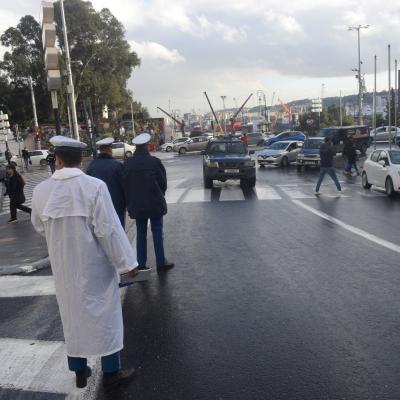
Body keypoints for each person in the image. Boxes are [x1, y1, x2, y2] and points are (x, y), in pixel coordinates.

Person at [31, 136, 149, 390]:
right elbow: (108, 230)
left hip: (64, 268)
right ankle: (111, 372)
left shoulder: (40, 191)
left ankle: (78, 371)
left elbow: (39, 226)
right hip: (95, 266)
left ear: (58, 159)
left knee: (72, 318)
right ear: (81, 159)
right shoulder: (94, 187)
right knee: (105, 316)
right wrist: (128, 263)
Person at [123, 133, 174, 272]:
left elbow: (125, 184)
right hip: (154, 202)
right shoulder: (155, 162)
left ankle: (141, 264)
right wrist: (158, 194)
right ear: (147, 146)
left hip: (137, 204)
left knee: (141, 232)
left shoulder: (127, 163)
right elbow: (163, 184)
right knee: (157, 231)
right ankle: (161, 262)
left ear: (135, 147)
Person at [86, 137, 126, 227]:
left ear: (100, 151)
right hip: (117, 204)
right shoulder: (118, 165)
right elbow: (125, 185)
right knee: (118, 231)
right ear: (110, 150)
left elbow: (87, 187)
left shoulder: (92, 166)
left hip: (98, 205)